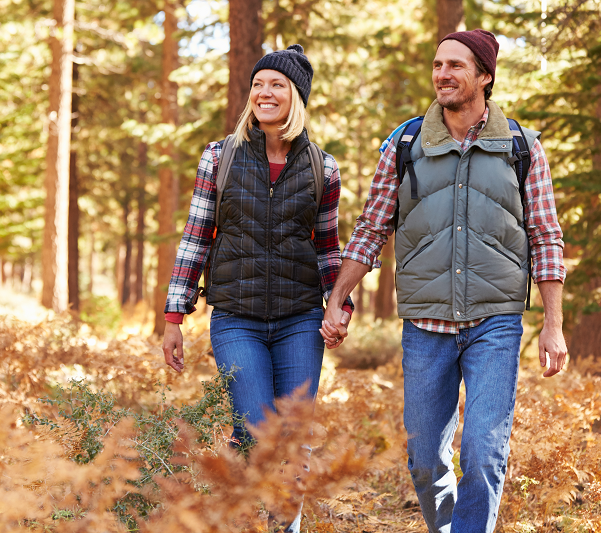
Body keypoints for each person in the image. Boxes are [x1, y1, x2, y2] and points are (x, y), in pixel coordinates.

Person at [321, 29, 568, 533]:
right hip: (425, 325)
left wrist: (553, 324)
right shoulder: (406, 142)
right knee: (424, 458)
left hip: (494, 324)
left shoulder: (521, 146)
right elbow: (372, 226)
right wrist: (337, 300)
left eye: (456, 65)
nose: (443, 75)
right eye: (438, 65)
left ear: (484, 76)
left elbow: (545, 235)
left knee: (482, 452)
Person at [162, 44, 353, 533]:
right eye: (258, 85)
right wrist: (174, 317)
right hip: (236, 318)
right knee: (254, 431)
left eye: (277, 86)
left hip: (300, 321)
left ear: (296, 97)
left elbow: (328, 248)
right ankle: (252, 502)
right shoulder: (219, 158)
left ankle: (281, 524)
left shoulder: (322, 169)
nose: (265, 93)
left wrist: (339, 305)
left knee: (292, 438)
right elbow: (196, 236)